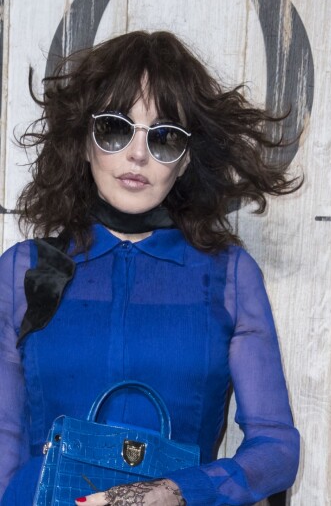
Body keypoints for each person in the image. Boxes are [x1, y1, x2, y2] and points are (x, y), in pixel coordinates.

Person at [0, 31, 301, 505]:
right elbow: (3, 438)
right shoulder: (24, 271)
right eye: (116, 129)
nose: (137, 155)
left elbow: (278, 449)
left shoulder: (230, 277)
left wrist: (175, 492)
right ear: (83, 142)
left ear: (183, 162)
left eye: (164, 137)